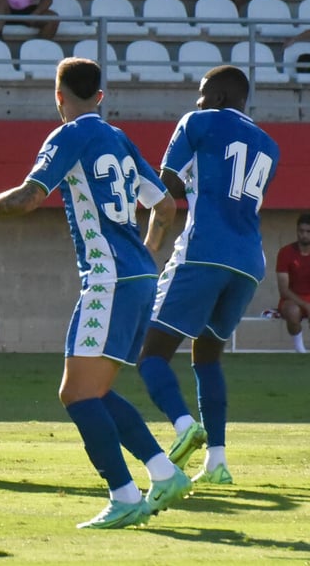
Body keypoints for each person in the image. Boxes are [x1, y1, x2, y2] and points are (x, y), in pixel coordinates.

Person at [0, 56, 189, 529]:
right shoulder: (119, 138)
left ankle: (124, 495)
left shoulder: (68, 135)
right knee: (94, 390)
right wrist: (143, 255)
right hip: (138, 278)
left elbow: (29, 196)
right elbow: (164, 206)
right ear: (100, 97)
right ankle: (163, 473)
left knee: (77, 394)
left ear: (58, 96)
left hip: (109, 279)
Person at [137, 65, 279, 486]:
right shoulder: (270, 145)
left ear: (217, 97)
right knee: (208, 357)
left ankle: (184, 427)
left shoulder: (197, 122)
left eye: (202, 94)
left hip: (203, 252)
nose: (197, 101)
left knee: (150, 354)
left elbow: (168, 189)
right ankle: (216, 461)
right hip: (249, 260)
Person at [275, 214, 310, 353]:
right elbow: (284, 290)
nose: (304, 235)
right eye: (301, 231)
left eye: (308, 232)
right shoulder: (285, 253)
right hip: (291, 299)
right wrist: (306, 305)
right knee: (293, 311)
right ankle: (300, 350)